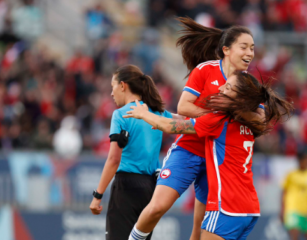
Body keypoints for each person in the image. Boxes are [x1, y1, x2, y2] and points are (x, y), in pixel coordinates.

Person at [128, 16, 265, 240]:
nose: (250, 53)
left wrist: (228, 116)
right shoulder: (205, 70)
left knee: (199, 229)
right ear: (226, 50)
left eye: (252, 48)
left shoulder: (246, 85)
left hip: (216, 158)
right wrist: (217, 119)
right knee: (157, 207)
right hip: (190, 147)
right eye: (244, 47)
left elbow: (261, 121)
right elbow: (183, 107)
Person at [125, 71, 293, 240]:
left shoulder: (220, 120)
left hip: (226, 206)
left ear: (240, 98)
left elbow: (172, 127)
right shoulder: (251, 123)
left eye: (227, 87)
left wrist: (144, 114)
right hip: (249, 207)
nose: (220, 88)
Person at [89, 65, 179, 240]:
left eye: (113, 87)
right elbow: (187, 123)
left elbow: (114, 159)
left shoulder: (121, 114)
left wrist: (97, 196)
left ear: (123, 86)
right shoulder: (157, 113)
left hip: (126, 187)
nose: (111, 93)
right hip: (150, 189)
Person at [280, 152, 307, 240]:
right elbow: (284, 192)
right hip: (293, 210)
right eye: (306, 160)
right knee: (294, 236)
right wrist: (282, 210)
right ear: (300, 161)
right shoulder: (291, 174)